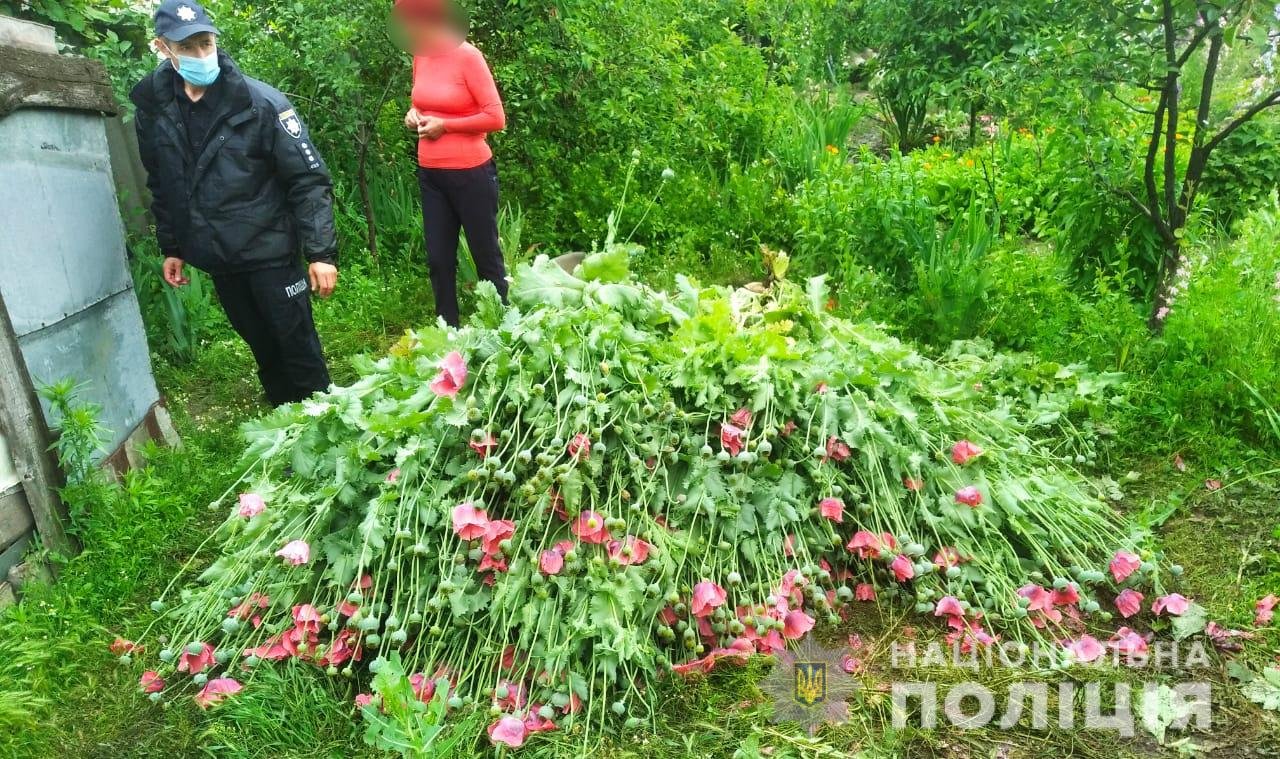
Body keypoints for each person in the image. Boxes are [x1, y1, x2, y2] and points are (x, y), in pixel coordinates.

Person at [130, 0, 339, 406]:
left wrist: (321, 252)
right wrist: (172, 246)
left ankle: (324, 421)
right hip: (218, 255)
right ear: (163, 48)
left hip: (269, 248)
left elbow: (308, 180)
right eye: (188, 48)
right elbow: (163, 182)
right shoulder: (155, 110)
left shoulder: (260, 103)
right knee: (259, 341)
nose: (200, 55)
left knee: (294, 341)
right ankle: (284, 420)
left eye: (206, 44)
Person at [395, 0, 508, 327]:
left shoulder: (467, 56)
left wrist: (447, 126)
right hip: (432, 173)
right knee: (439, 260)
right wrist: (412, 115)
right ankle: (449, 331)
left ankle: (502, 329)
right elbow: (420, 102)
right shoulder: (420, 55)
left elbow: (495, 117)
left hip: (471, 173)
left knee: (486, 257)